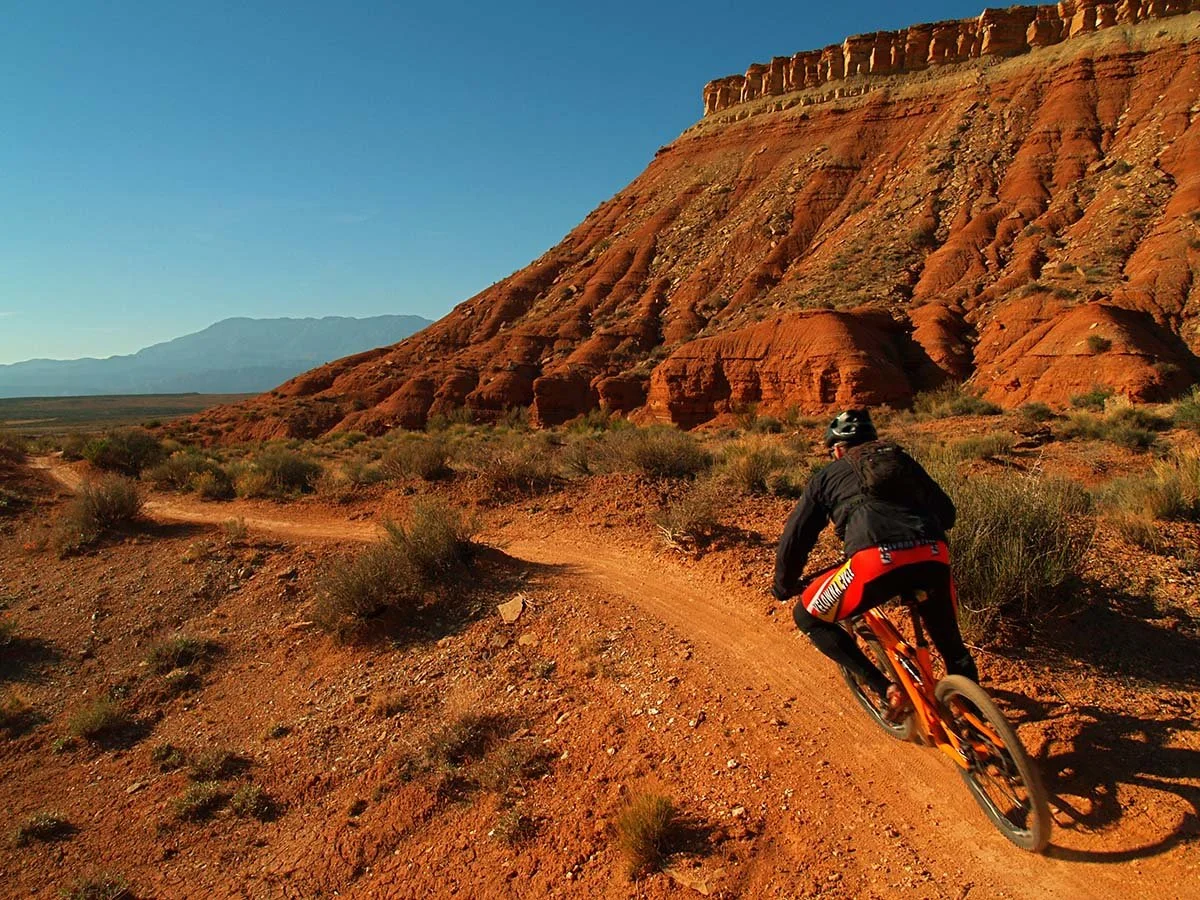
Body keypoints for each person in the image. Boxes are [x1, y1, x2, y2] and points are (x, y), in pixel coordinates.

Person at [772, 409, 978, 721]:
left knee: (807, 616)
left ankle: (886, 690)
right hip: (934, 554)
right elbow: (947, 514)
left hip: (874, 562)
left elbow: (796, 536)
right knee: (953, 647)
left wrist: (784, 583)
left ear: (837, 449)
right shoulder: (901, 459)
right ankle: (979, 729)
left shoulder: (826, 476)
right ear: (873, 440)